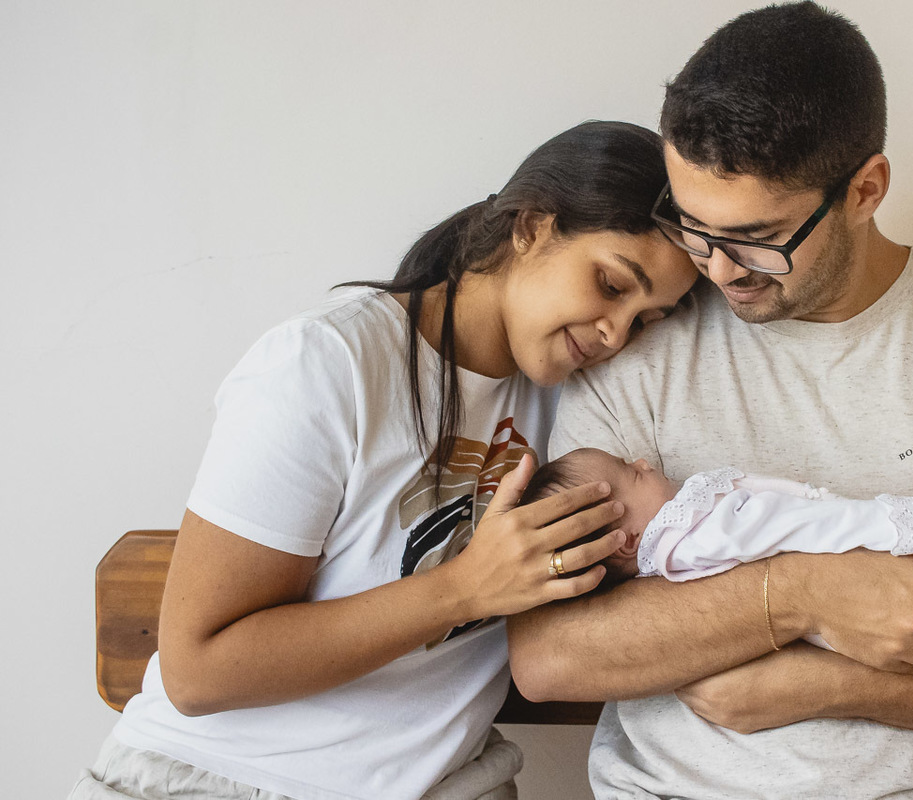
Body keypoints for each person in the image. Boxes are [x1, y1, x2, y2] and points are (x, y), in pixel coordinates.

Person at [507, 5, 913, 799]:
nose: (717, 271)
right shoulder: (637, 346)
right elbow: (549, 656)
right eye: (692, 227)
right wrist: (797, 596)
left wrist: (835, 683)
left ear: (866, 189)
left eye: (757, 237)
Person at [69, 120, 697, 800]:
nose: (615, 333)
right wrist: (465, 590)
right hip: (215, 778)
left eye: (646, 319)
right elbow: (197, 673)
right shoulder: (326, 367)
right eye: (609, 284)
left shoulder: (574, 403)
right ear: (531, 227)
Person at [521, 447, 913, 775]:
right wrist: (886, 524)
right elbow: (791, 524)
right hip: (881, 548)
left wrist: (821, 683)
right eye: (631, 471)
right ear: (624, 542)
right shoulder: (690, 533)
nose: (644, 460)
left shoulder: (683, 534)